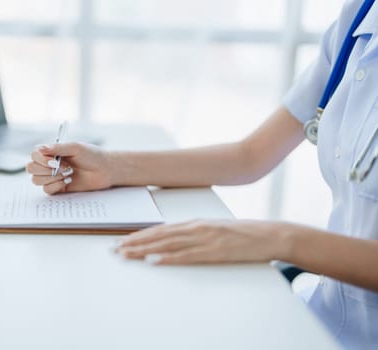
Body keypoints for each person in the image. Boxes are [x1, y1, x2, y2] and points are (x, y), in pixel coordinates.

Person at [27, 0, 378, 348]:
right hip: (319, 321)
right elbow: (250, 156)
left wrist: (280, 239)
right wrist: (112, 166)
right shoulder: (359, 18)